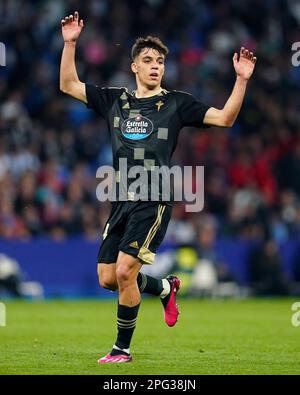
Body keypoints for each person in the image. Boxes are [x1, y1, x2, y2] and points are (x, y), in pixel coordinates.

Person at [60, 11, 257, 363]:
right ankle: (164, 287)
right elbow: (68, 85)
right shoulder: (115, 100)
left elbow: (225, 117)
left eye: (160, 61)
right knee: (108, 278)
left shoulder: (177, 103)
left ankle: (121, 350)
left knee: (124, 271)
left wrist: (241, 80)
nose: (155, 66)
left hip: (155, 196)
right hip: (121, 198)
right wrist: (71, 43)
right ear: (134, 67)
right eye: (148, 60)